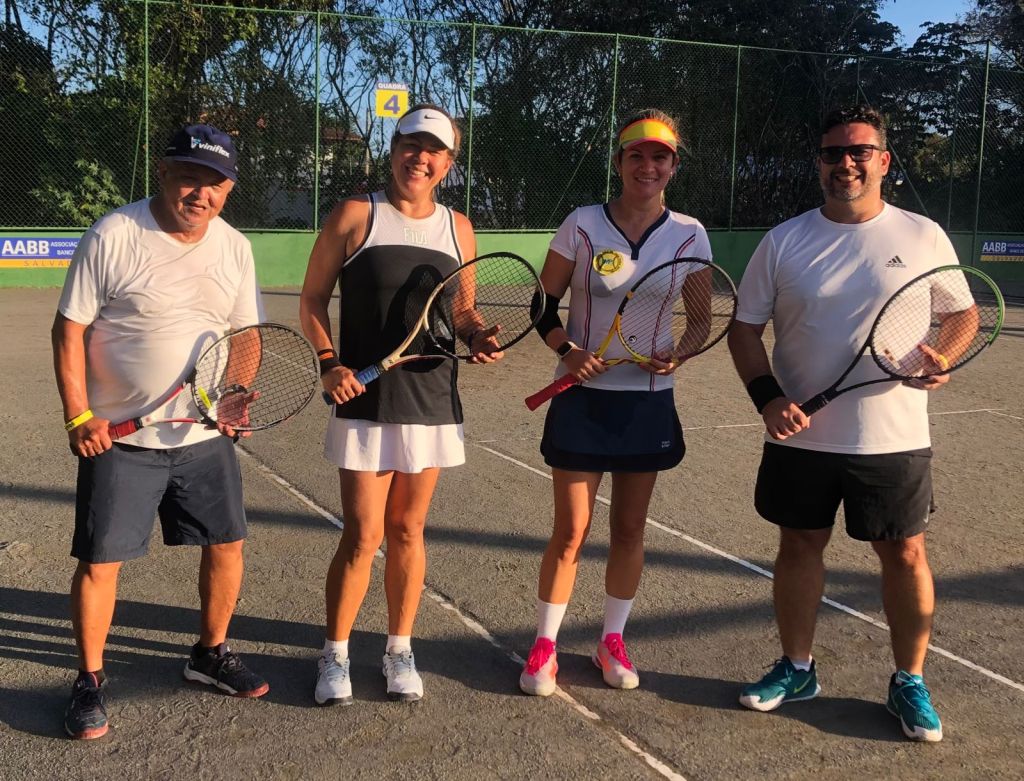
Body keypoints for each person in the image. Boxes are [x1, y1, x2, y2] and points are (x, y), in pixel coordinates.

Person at [727, 105, 954, 742]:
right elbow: (745, 332)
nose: (845, 162)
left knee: (905, 554)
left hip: (896, 437)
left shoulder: (923, 235)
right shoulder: (785, 240)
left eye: (859, 151)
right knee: (799, 547)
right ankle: (797, 667)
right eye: (833, 153)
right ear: (819, 164)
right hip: (802, 437)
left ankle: (909, 679)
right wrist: (769, 398)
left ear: (884, 161)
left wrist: (947, 356)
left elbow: (959, 314)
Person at [52, 124, 268, 741]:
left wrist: (231, 394)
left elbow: (246, 334)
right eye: (190, 177)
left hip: (202, 437)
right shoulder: (115, 234)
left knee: (226, 546)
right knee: (101, 561)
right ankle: (89, 680)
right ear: (164, 173)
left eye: (216, 182)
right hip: (120, 441)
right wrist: (78, 413)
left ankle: (209, 653)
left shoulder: (234, 247)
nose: (202, 193)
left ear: (228, 190)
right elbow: (69, 331)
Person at [299, 104, 501, 706]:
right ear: (392, 149)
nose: (421, 156)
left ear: (449, 162)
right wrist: (329, 361)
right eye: (411, 143)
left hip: (432, 396)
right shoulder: (356, 214)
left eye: (435, 149)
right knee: (362, 536)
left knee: (409, 529)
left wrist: (479, 335)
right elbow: (312, 299)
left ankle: (398, 649)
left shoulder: (458, 227)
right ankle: (335, 655)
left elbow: (462, 311)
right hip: (364, 400)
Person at [519, 109, 712, 696]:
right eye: (636, 155)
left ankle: (611, 641)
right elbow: (541, 308)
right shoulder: (581, 225)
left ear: (673, 166)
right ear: (619, 161)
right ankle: (545, 646)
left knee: (629, 528)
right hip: (580, 398)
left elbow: (702, 321)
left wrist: (679, 353)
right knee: (571, 530)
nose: (647, 166)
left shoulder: (690, 234)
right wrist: (568, 350)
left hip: (647, 403)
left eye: (659, 157)